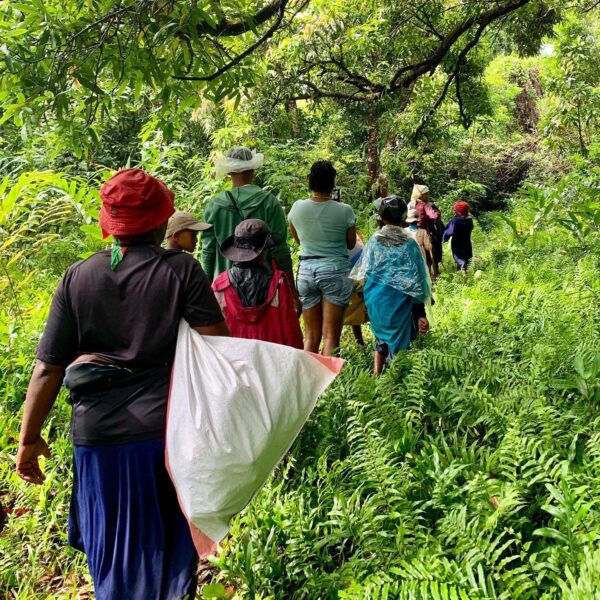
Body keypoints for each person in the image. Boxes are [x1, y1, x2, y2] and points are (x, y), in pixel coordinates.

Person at [15, 169, 229, 600]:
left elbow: (47, 368)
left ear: (109, 223)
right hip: (164, 433)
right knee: (166, 551)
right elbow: (216, 348)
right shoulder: (181, 271)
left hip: (97, 439)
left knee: (111, 549)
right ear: (159, 222)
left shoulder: (77, 277)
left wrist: (28, 438)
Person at [201, 147, 298, 308]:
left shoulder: (214, 206)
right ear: (252, 169)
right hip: (265, 291)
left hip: (226, 291)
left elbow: (208, 252)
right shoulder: (269, 202)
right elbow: (280, 250)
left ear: (230, 172)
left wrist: (206, 294)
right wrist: (292, 292)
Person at [352, 196, 431, 375]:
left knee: (380, 339)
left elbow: (363, 274)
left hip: (377, 301)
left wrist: (364, 299)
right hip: (399, 303)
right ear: (403, 217)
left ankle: (376, 375)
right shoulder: (409, 244)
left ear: (381, 217)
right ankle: (394, 384)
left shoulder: (373, 241)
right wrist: (420, 313)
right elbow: (417, 280)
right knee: (399, 345)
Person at [288, 160, 357, 356]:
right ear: (332, 183)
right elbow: (351, 244)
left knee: (310, 337)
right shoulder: (344, 210)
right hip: (335, 270)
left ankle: (307, 383)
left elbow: (298, 240)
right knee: (331, 337)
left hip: (307, 270)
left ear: (310, 181)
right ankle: (330, 385)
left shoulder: (297, 207)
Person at [212, 219, 303, 348]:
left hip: (234, 362)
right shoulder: (278, 283)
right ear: (263, 251)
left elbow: (214, 333)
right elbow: (291, 330)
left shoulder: (220, 285)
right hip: (272, 360)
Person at [408, 183, 443, 279]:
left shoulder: (410, 204)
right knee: (434, 249)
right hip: (424, 234)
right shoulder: (424, 205)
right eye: (426, 194)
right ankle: (434, 274)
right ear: (420, 195)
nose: (428, 196)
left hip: (410, 233)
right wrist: (437, 212)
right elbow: (434, 216)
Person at [443, 200, 474, 274]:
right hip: (467, 244)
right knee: (467, 260)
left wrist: (444, 238)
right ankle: (465, 276)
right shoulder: (469, 220)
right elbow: (471, 227)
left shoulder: (455, 220)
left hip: (457, 244)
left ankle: (463, 276)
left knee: (460, 261)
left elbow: (449, 231)